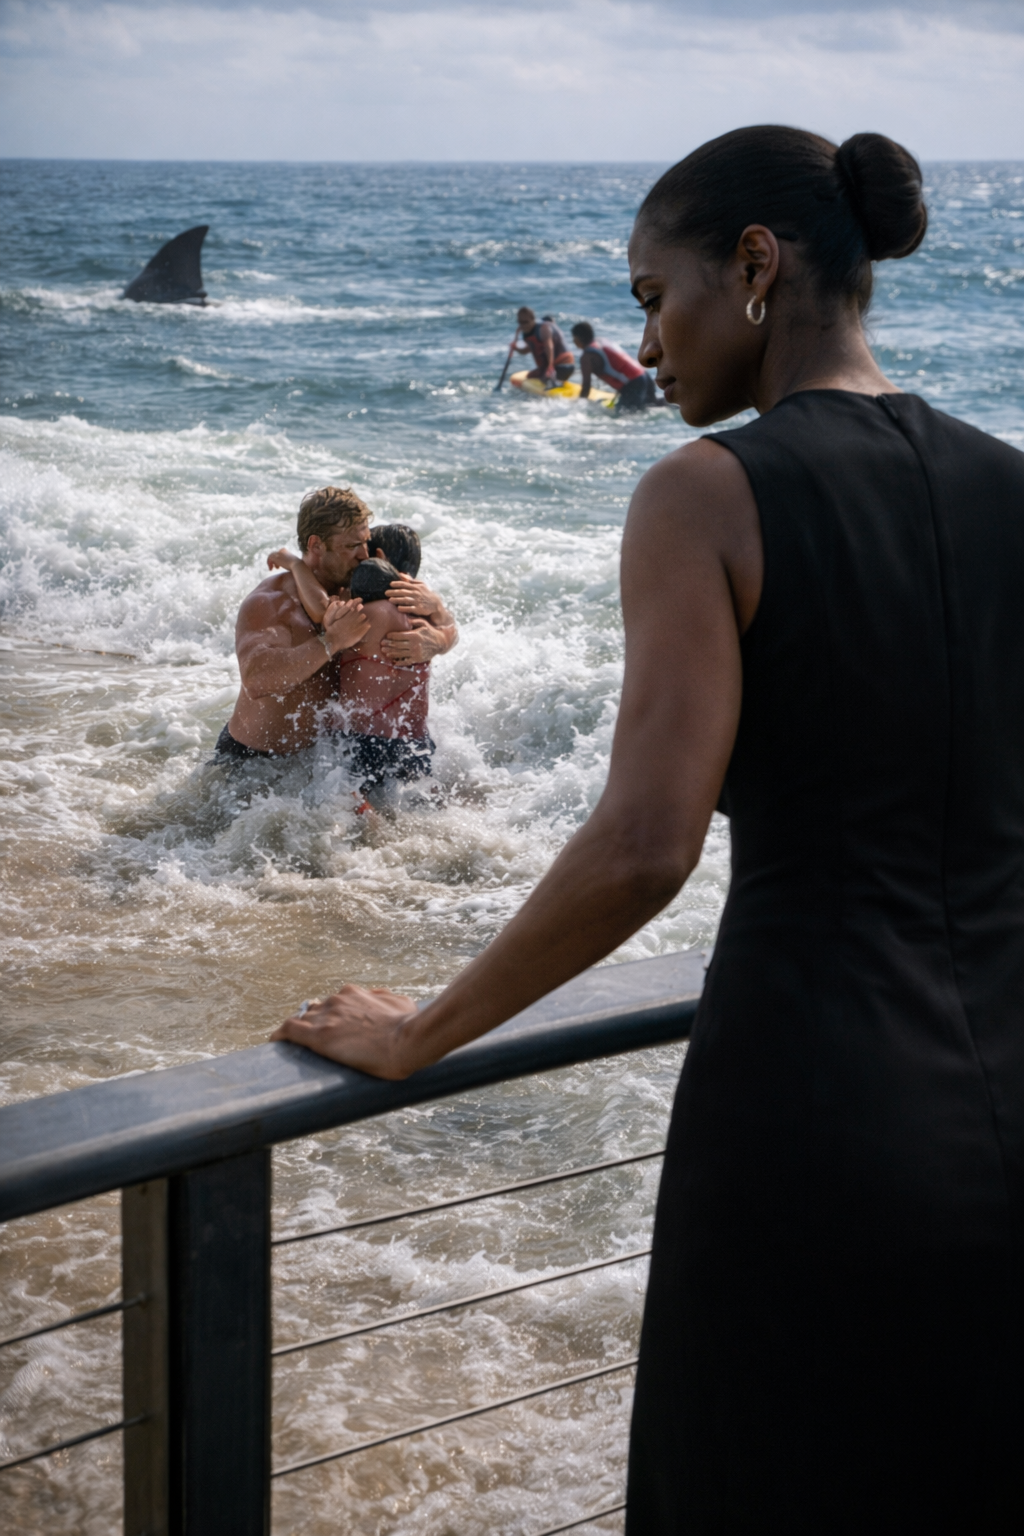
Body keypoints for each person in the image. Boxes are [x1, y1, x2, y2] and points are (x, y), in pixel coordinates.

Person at [272, 124, 1024, 1532]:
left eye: (648, 296)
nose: (650, 339)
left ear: (753, 264)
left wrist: (421, 1029)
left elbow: (645, 844)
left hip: (816, 1121)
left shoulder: (707, 492)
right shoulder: (1007, 482)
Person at [217, 485, 372, 759]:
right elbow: (256, 679)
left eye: (365, 542)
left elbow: (437, 627)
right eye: (351, 546)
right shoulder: (272, 602)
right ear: (316, 546)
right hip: (253, 764)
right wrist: (330, 642)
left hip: (324, 766)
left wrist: (436, 637)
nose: (364, 555)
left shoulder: (359, 586)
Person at [275, 552, 436, 793]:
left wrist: (296, 565)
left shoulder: (363, 619)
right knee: (418, 801)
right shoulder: (424, 619)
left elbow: (322, 610)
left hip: (367, 739)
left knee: (355, 800)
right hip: (414, 741)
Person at [571, 321, 663, 411]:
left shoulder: (587, 357)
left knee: (625, 416)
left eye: (574, 337)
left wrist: (579, 407)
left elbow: (586, 386)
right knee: (654, 406)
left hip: (634, 383)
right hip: (643, 375)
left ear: (579, 338)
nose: (573, 341)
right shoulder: (602, 341)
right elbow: (618, 365)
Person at [513, 307, 575, 387]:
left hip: (563, 367)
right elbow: (528, 349)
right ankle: (555, 381)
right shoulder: (528, 332)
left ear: (533, 319)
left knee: (542, 378)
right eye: (520, 322)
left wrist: (550, 367)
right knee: (530, 375)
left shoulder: (543, 328)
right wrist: (516, 349)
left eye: (526, 322)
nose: (523, 325)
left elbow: (549, 346)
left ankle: (553, 383)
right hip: (557, 367)